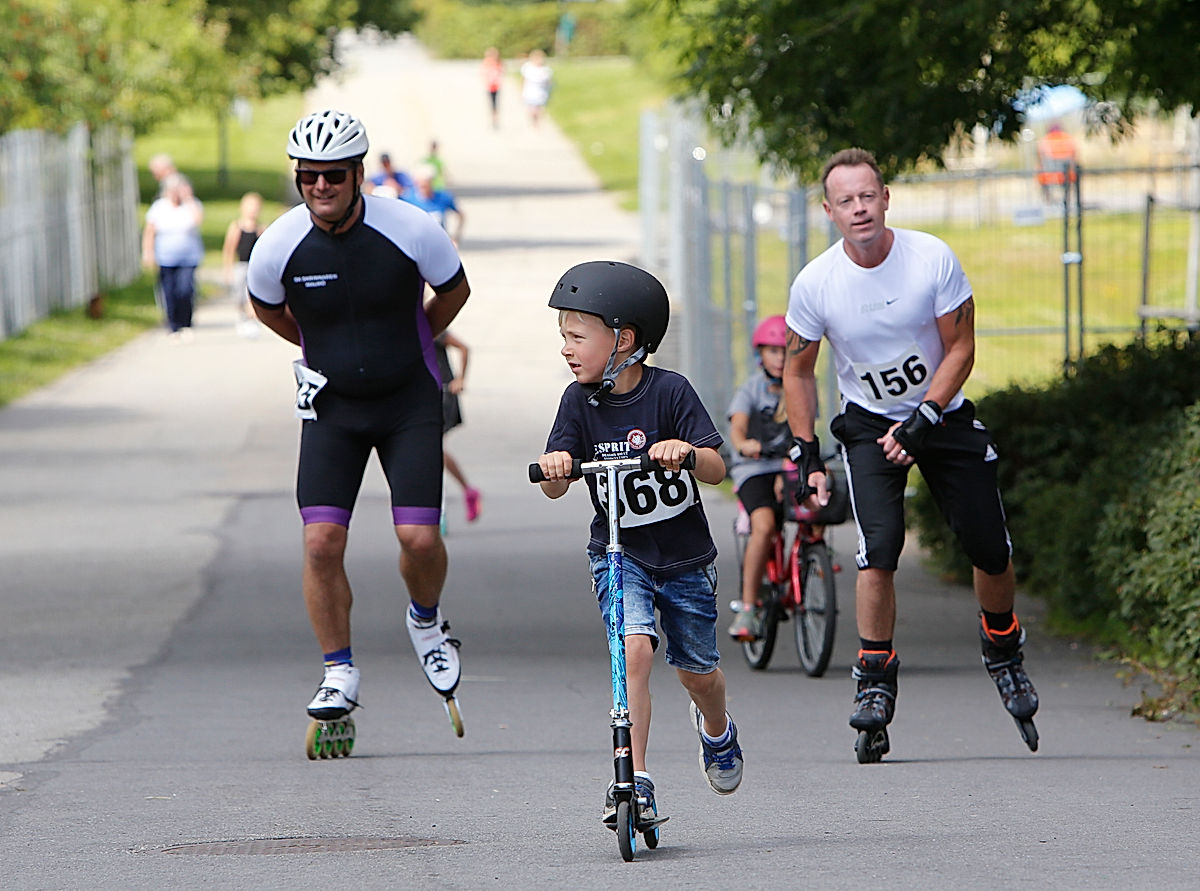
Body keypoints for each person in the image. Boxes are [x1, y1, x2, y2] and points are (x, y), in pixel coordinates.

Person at [782, 147, 1039, 752]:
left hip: (941, 414)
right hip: (870, 424)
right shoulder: (816, 282)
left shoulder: (931, 257)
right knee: (878, 548)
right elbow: (798, 373)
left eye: (867, 195)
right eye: (845, 201)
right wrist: (804, 453)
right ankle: (874, 676)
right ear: (829, 211)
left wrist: (926, 415)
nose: (859, 209)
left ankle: (1002, 644)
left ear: (886, 197)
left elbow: (962, 347)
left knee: (987, 543)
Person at [247, 109, 472, 726]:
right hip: (333, 408)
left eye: (333, 176)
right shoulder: (277, 244)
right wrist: (318, 351)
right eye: (309, 176)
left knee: (419, 537)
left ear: (357, 173)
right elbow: (268, 309)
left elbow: (455, 290)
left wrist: (416, 340)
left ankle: (426, 621)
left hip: (408, 401)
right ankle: (338, 671)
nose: (321, 187)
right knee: (321, 541)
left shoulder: (411, 227)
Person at [536, 260, 744, 825]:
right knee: (634, 650)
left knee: (697, 672)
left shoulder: (670, 392)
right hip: (619, 554)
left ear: (624, 340)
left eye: (578, 337)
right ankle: (636, 779)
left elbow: (718, 469)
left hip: (684, 559)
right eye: (564, 337)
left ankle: (717, 728)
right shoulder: (578, 402)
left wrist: (685, 452)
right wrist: (557, 466)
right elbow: (556, 486)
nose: (567, 349)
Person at [726, 315, 794, 641]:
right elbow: (737, 427)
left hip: (788, 466)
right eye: (773, 351)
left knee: (820, 506)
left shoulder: (799, 385)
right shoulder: (751, 389)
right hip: (754, 470)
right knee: (764, 525)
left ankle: (812, 561)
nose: (780, 359)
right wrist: (743, 444)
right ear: (760, 355)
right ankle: (748, 607)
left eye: (786, 351)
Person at [141, 173, 204, 340]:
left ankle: (186, 321)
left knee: (185, 289)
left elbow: (198, 220)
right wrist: (148, 252)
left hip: (188, 256)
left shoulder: (191, 205)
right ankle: (173, 325)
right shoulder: (159, 207)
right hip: (166, 257)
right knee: (169, 291)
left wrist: (188, 199)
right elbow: (150, 231)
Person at [435, 328, 481, 523]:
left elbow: (463, 348)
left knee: (434, 448)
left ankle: (464, 492)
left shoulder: (432, 328)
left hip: (443, 395)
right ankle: (467, 491)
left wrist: (460, 378)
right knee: (432, 450)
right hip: (421, 396)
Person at [221, 191, 265, 337]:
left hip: (254, 267)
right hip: (241, 266)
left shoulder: (260, 228)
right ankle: (242, 317)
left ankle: (251, 318)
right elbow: (229, 249)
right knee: (239, 294)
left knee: (251, 294)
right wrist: (228, 269)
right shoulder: (237, 227)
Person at [402, 164, 464, 246]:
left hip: (439, 243)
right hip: (418, 244)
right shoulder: (408, 198)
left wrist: (456, 237)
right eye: (420, 185)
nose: (423, 188)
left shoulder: (443, 197)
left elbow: (460, 215)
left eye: (426, 184)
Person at [1036, 122, 1078, 201]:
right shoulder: (1068, 138)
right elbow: (1074, 156)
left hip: (1049, 175)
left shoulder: (1046, 140)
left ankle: (1048, 199)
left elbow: (1041, 156)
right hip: (1067, 174)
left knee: (1040, 173)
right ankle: (1067, 199)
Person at [519, 49, 553, 127]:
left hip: (541, 92)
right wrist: (522, 90)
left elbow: (549, 82)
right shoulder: (528, 68)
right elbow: (524, 80)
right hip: (530, 92)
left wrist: (549, 89)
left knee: (540, 109)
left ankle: (537, 122)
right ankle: (534, 121)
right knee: (532, 109)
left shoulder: (545, 70)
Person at [481, 47, 504, 129]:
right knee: (492, 104)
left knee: (496, 104)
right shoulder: (487, 63)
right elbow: (483, 73)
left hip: (496, 86)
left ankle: (495, 120)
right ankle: (493, 120)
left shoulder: (498, 63)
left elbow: (502, 72)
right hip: (490, 87)